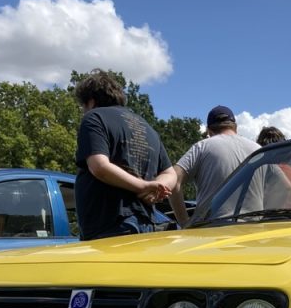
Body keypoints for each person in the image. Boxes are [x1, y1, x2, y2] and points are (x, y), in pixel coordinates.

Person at [74, 69, 176, 240]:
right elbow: (170, 173)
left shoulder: (94, 117)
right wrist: (157, 187)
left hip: (108, 225)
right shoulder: (147, 127)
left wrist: (143, 187)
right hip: (146, 223)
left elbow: (99, 166)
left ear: (90, 101)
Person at [170, 105, 260, 225]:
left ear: (209, 131)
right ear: (235, 127)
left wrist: (184, 222)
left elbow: (173, 180)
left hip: (213, 231)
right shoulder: (257, 150)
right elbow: (286, 186)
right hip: (253, 231)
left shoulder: (202, 147)